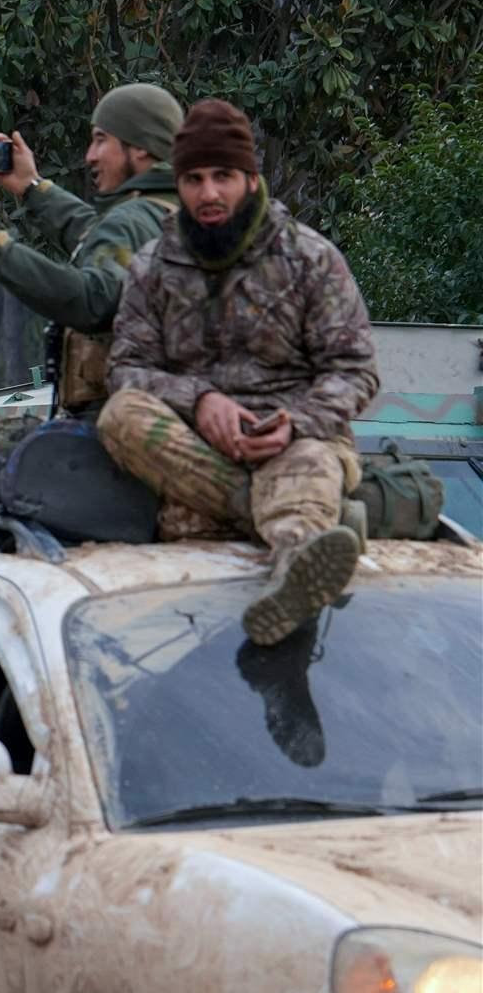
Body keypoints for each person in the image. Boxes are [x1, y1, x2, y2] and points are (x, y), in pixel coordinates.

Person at [101, 98, 378, 646]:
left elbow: (355, 371)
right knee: (119, 415)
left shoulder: (310, 259)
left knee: (311, 459)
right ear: (176, 184)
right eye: (194, 179)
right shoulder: (153, 268)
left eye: (223, 177)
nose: (208, 195)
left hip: (295, 439)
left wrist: (292, 422)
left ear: (251, 180)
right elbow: (127, 370)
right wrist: (200, 402)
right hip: (195, 448)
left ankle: (297, 564)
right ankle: (289, 518)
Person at [0, 83, 185, 419]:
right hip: (164, 410)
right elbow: (95, 237)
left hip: (112, 419)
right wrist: (32, 187)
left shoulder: (132, 219)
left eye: (102, 139)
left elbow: (92, 299)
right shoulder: (175, 212)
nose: (90, 155)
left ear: (141, 149)